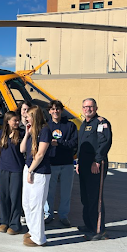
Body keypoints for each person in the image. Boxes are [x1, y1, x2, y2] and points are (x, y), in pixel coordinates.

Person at [77, 98, 112, 241]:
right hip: (84, 166)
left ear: (96, 108)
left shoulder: (102, 123)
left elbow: (104, 142)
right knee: (85, 198)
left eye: (90, 107)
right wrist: (79, 162)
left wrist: (97, 161)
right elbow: (82, 146)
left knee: (95, 198)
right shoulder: (84, 124)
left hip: (95, 166)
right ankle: (89, 224)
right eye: (85, 107)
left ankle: (98, 230)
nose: (88, 109)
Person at [20, 106, 51, 247]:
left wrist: (30, 171)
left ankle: (39, 238)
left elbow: (40, 154)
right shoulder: (32, 131)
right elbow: (22, 149)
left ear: (35, 116)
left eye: (29, 116)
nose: (26, 118)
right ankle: (32, 231)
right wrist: (27, 134)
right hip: (29, 168)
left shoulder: (45, 130)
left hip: (39, 172)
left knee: (36, 205)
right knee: (26, 203)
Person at [44, 100, 78, 227]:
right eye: (52, 109)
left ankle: (63, 216)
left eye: (57, 109)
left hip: (67, 164)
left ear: (61, 110)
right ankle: (48, 214)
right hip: (51, 163)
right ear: (49, 111)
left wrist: (59, 143)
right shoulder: (46, 126)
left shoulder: (70, 126)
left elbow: (73, 144)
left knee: (65, 192)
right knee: (49, 192)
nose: (55, 111)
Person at [0, 111, 24, 235]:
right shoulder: (2, 133)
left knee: (15, 197)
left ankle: (15, 224)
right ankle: (4, 222)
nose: (17, 122)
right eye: (14, 120)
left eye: (18, 120)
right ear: (8, 121)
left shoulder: (22, 134)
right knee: (3, 197)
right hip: (3, 168)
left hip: (17, 169)